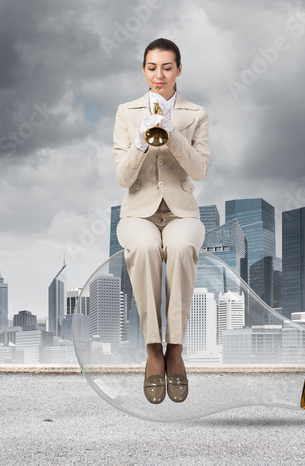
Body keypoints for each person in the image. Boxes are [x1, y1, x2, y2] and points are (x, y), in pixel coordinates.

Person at [113, 38, 210, 404]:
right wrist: (140, 142)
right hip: (138, 211)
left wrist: (174, 134)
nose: (159, 75)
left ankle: (175, 349)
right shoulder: (126, 112)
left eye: (167, 67)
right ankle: (154, 349)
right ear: (143, 70)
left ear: (179, 70)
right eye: (152, 67)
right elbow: (123, 179)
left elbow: (199, 171)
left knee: (183, 246)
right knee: (145, 247)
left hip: (181, 211)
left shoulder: (196, 113)